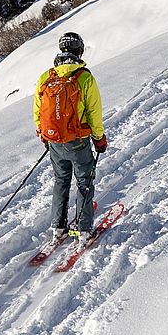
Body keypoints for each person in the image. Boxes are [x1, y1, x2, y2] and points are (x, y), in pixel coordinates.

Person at [33, 32, 106, 244]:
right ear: (79, 51)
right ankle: (84, 230)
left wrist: (44, 133)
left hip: (54, 140)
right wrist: (99, 138)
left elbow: (38, 110)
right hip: (78, 140)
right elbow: (94, 112)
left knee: (61, 180)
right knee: (84, 181)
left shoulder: (47, 76)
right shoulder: (84, 77)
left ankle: (58, 227)